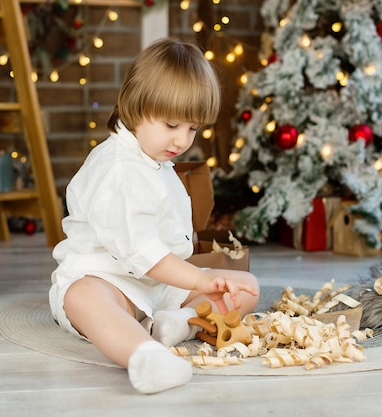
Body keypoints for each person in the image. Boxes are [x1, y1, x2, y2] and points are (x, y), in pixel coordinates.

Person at [49, 38, 260, 395]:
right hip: (109, 280)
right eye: (172, 124)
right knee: (84, 299)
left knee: (246, 287)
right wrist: (197, 281)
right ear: (137, 106)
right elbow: (142, 252)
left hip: (159, 286)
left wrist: (195, 283)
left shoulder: (158, 161)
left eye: (192, 129)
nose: (181, 140)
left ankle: (177, 324)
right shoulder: (118, 168)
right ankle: (144, 355)